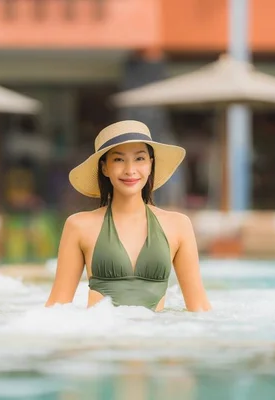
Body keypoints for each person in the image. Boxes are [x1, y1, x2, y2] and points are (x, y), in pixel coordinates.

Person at [45, 120, 211, 312]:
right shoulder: (79, 225)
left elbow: (199, 307)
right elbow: (56, 307)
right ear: (104, 167)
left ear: (151, 164)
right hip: (101, 336)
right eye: (118, 159)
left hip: (154, 335)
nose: (130, 170)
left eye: (139, 159)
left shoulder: (178, 225)